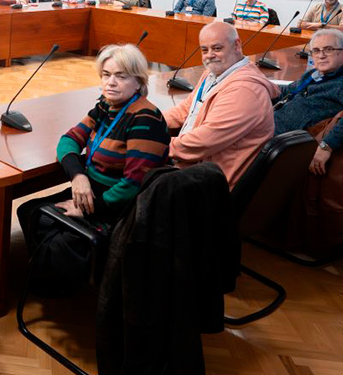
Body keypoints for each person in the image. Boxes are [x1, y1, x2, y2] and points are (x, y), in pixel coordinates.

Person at [17, 43, 169, 248]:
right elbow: (68, 140)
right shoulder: (105, 107)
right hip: (90, 192)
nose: (111, 83)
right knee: (28, 211)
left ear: (138, 81)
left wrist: (90, 209)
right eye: (106, 75)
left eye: (121, 76)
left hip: (117, 209)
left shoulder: (145, 119)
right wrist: (78, 176)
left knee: (48, 230)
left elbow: (133, 185)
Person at [163, 22, 278, 187]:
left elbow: (205, 140)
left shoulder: (245, 90)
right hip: (192, 166)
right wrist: (149, 121)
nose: (209, 55)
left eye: (217, 48)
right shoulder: (213, 74)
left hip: (213, 183)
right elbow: (186, 109)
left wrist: (159, 146)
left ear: (236, 45)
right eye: (204, 50)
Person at [273, 29, 343, 175]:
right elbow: (286, 92)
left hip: (284, 145)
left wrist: (326, 145)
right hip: (270, 129)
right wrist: (260, 87)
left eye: (328, 49)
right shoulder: (313, 74)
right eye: (316, 50)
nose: (321, 55)